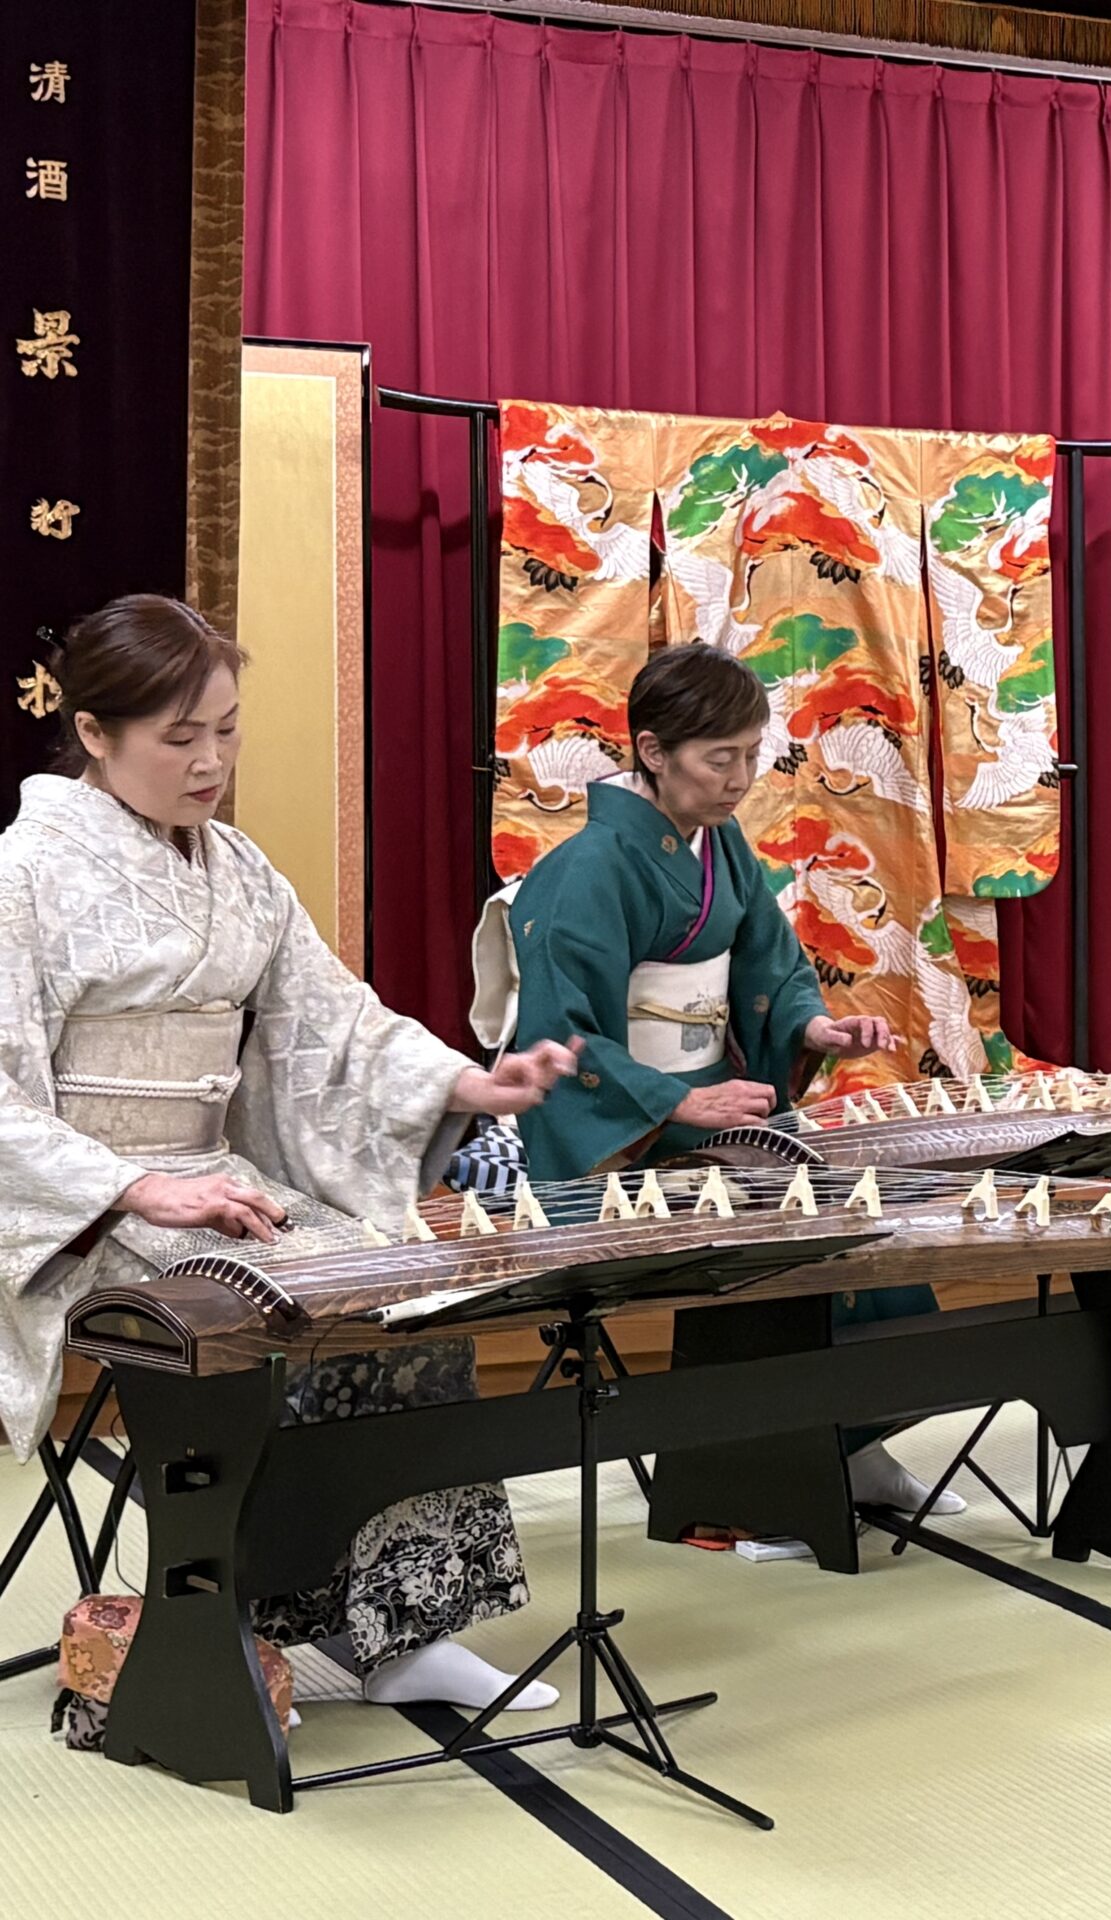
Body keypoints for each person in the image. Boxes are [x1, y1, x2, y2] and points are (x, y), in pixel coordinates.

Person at [0, 595, 580, 1715]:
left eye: (226, 729)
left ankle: (409, 1630)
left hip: (217, 1187)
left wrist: (467, 1082)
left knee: (405, 1293)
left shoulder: (239, 867)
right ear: (93, 733)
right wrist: (135, 1186)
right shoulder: (22, 874)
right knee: (280, 1312)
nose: (211, 762)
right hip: (94, 1208)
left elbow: (334, 1018)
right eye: (179, 737)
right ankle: (237, 1621)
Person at [492, 642, 960, 1517]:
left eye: (751, 755)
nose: (740, 779)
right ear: (652, 750)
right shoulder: (586, 868)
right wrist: (677, 1100)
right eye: (720, 759)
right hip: (628, 1126)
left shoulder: (723, 844)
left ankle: (850, 1445)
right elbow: (560, 1037)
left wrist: (813, 1027)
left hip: (714, 1105)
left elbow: (768, 962)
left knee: (855, 1205)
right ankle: (750, 1482)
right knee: (780, 1217)